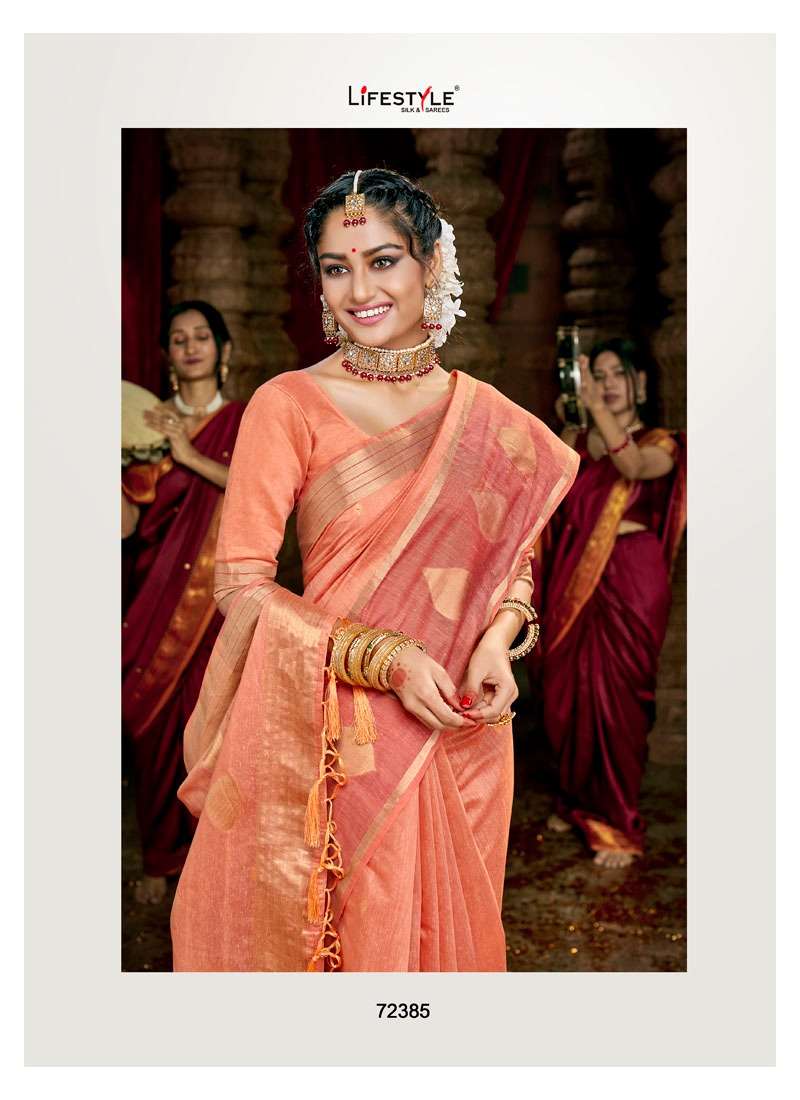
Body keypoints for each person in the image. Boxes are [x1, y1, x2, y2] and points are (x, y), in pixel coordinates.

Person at [170, 169, 578, 972]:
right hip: (342, 732)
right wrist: (384, 658)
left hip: (462, 723)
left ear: (432, 264)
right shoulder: (288, 404)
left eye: (384, 261)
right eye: (336, 268)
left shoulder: (484, 416)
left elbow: (511, 562)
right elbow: (241, 584)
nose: (360, 290)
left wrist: (501, 640)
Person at [532, 338, 687, 869]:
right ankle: (576, 801)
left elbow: (634, 467)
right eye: (596, 376)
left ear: (639, 382)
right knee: (566, 696)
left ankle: (618, 821)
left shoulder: (665, 443)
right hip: (573, 579)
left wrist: (593, 405)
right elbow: (543, 492)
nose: (607, 384)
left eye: (617, 373)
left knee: (620, 699)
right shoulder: (576, 440)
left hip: (632, 581)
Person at [122, 300, 246, 904]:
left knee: (214, 723)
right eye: (179, 338)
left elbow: (262, 491)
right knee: (150, 724)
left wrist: (188, 454)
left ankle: (212, 856)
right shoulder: (144, 422)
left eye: (202, 336)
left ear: (224, 351)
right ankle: (160, 852)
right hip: (152, 589)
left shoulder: (244, 420)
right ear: (167, 355)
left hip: (218, 603)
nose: (191, 346)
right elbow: (128, 522)